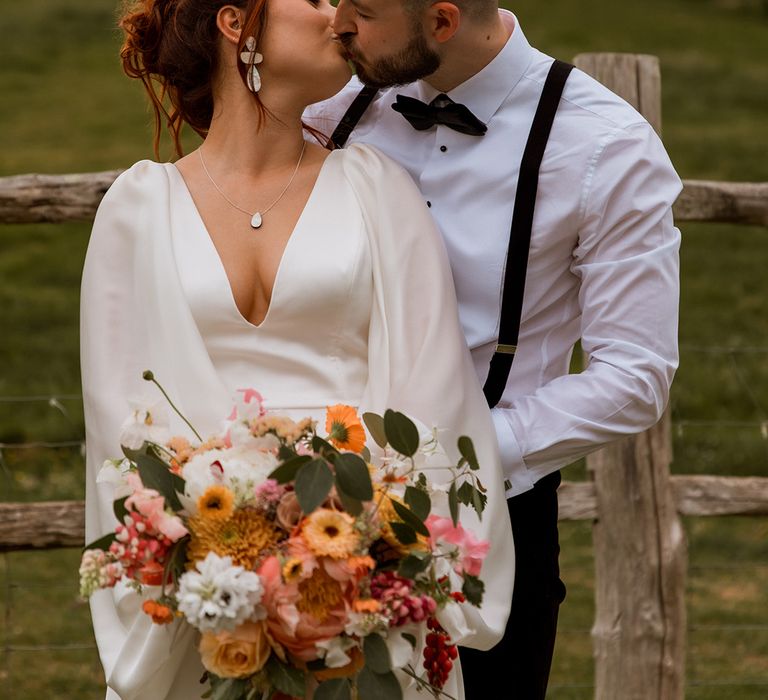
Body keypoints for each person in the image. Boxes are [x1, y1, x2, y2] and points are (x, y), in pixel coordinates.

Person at [80, 1, 514, 699]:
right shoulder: (137, 207)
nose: (339, 16)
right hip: (203, 593)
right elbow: (120, 422)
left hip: (359, 580)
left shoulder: (375, 189)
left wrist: (360, 552)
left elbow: (432, 392)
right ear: (235, 24)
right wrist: (211, 554)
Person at [304, 1, 682, 698]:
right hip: (308, 509)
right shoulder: (327, 112)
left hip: (489, 525)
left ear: (442, 22)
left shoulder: (604, 145)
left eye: (361, 11)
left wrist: (465, 453)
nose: (338, 24)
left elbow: (635, 375)